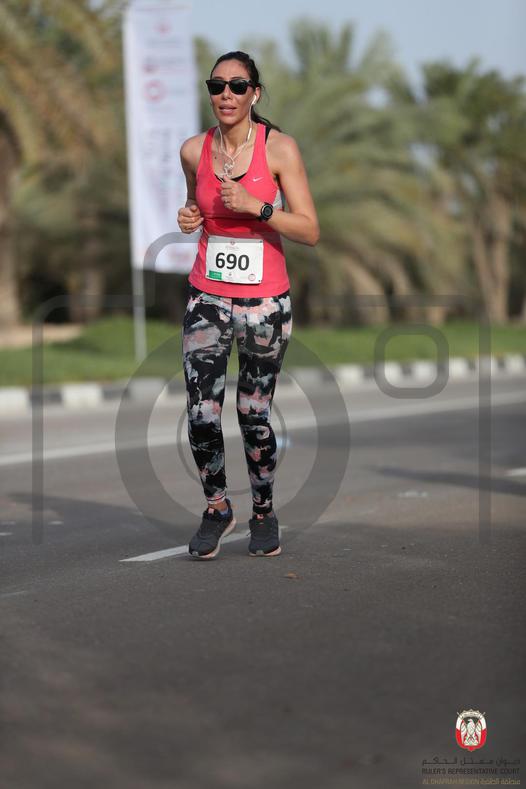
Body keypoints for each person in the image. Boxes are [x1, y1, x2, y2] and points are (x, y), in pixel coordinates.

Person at [178, 50, 319, 560]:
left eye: (238, 86)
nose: (227, 95)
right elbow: (195, 204)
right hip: (208, 294)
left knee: (253, 412)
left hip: (264, 302)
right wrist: (189, 217)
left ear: (255, 93)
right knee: (201, 411)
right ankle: (217, 507)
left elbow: (309, 229)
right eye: (217, 85)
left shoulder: (279, 149)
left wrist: (259, 208)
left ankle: (263, 510)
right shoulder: (193, 150)